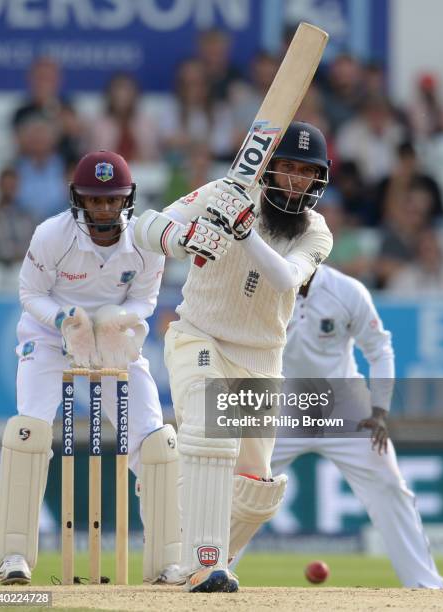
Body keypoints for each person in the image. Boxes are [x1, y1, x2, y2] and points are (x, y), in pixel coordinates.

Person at [135, 121, 333, 592]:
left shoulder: (317, 232)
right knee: (207, 428)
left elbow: (286, 278)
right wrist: (184, 240)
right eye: (285, 167)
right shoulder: (225, 191)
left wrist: (242, 232)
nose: (295, 180)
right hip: (199, 337)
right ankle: (205, 563)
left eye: (305, 172)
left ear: (318, 180)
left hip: (262, 360)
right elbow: (145, 225)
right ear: (267, 168)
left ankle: (192, 542)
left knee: (255, 490)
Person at [0, 151, 181, 586]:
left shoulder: (144, 241)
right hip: (49, 335)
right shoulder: (51, 235)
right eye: (94, 200)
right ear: (77, 198)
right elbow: (30, 293)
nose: (103, 209)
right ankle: (15, 556)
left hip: (115, 339)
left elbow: (145, 300)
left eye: (112, 200)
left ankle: (167, 560)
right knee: (30, 433)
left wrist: (117, 323)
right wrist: (66, 322)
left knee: (155, 440)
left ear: (126, 200)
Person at [268, 265, 443, 588]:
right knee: (242, 487)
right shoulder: (262, 283)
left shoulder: (347, 291)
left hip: (346, 405)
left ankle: (426, 587)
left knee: (390, 485)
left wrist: (379, 411)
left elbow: (379, 348)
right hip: (280, 405)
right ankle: (211, 572)